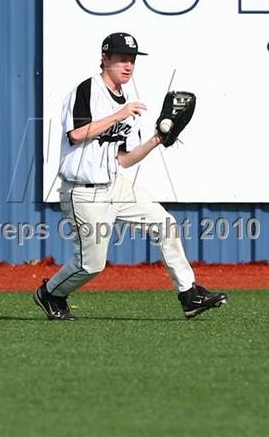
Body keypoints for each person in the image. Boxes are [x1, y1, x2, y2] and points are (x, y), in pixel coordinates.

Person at [34, 32, 227, 320]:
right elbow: (75, 134)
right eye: (122, 58)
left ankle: (189, 295)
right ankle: (50, 293)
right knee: (91, 265)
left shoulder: (129, 105)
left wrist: (156, 140)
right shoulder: (87, 90)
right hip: (82, 191)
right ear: (105, 59)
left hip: (115, 185)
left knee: (165, 224)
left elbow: (124, 159)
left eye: (132, 60)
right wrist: (119, 115)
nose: (128, 65)